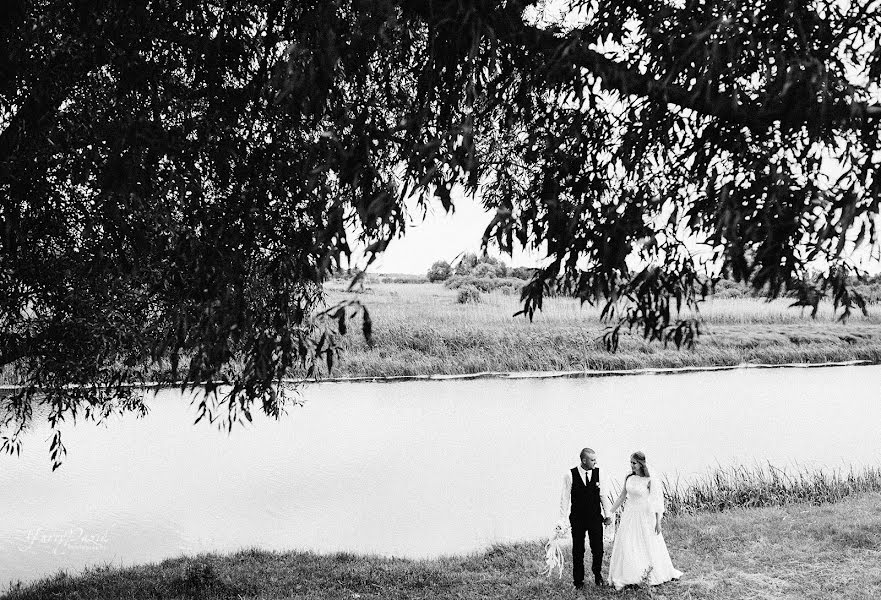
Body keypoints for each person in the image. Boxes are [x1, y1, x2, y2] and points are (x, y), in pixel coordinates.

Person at [607, 451, 682, 591]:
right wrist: (609, 512)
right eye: (630, 462)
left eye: (634, 463)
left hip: (644, 516)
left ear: (641, 464)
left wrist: (658, 521)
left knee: (646, 544)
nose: (632, 465)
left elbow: (656, 502)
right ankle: (627, 575)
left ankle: (647, 574)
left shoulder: (649, 480)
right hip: (629, 515)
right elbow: (622, 496)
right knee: (627, 543)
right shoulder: (629, 477)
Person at [559, 447, 613, 588]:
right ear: (584, 460)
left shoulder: (599, 473)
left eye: (595, 459)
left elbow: (603, 495)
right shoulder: (570, 475)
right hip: (577, 518)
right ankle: (578, 581)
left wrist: (608, 515)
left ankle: (598, 575)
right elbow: (564, 499)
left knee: (598, 548)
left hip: (595, 517)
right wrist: (562, 520)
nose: (596, 462)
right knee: (578, 549)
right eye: (592, 459)